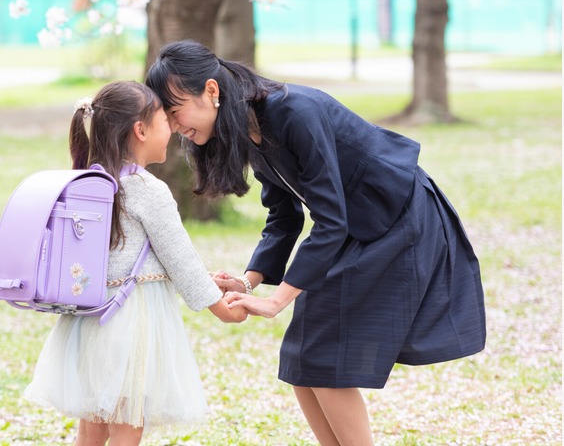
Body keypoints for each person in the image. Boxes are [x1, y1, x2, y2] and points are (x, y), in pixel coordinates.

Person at [145, 40, 487, 446]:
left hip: (399, 218)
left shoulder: (292, 112)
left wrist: (277, 301)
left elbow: (330, 220)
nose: (174, 125)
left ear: (211, 91)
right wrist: (249, 282)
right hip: (357, 226)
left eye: (175, 110)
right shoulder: (250, 125)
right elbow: (284, 216)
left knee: (324, 356)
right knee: (303, 358)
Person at [24, 80, 246, 446]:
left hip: (89, 320)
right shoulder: (147, 189)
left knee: (92, 427)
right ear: (140, 130)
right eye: (164, 121)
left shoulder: (91, 181)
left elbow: (134, 257)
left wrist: (207, 280)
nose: (172, 128)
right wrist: (222, 309)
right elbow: (181, 259)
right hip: (130, 321)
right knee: (128, 423)